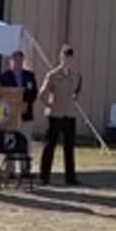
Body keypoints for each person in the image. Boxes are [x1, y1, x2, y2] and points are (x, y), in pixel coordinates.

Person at [37, 44, 82, 186]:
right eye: (65, 56)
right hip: (55, 115)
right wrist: (48, 105)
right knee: (50, 146)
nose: (67, 60)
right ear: (60, 57)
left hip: (69, 115)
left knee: (69, 147)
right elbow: (42, 93)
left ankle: (70, 177)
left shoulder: (76, 76)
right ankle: (44, 177)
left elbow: (78, 91)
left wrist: (74, 99)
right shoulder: (53, 75)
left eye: (70, 57)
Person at [0, 50, 37, 176]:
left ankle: (25, 169)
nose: (17, 63)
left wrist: (25, 103)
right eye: (14, 60)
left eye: (19, 60)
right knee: (11, 142)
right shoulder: (4, 77)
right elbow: (1, 95)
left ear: (23, 61)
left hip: (26, 114)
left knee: (26, 142)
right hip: (10, 115)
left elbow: (34, 93)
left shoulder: (29, 76)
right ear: (10, 61)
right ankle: (10, 170)